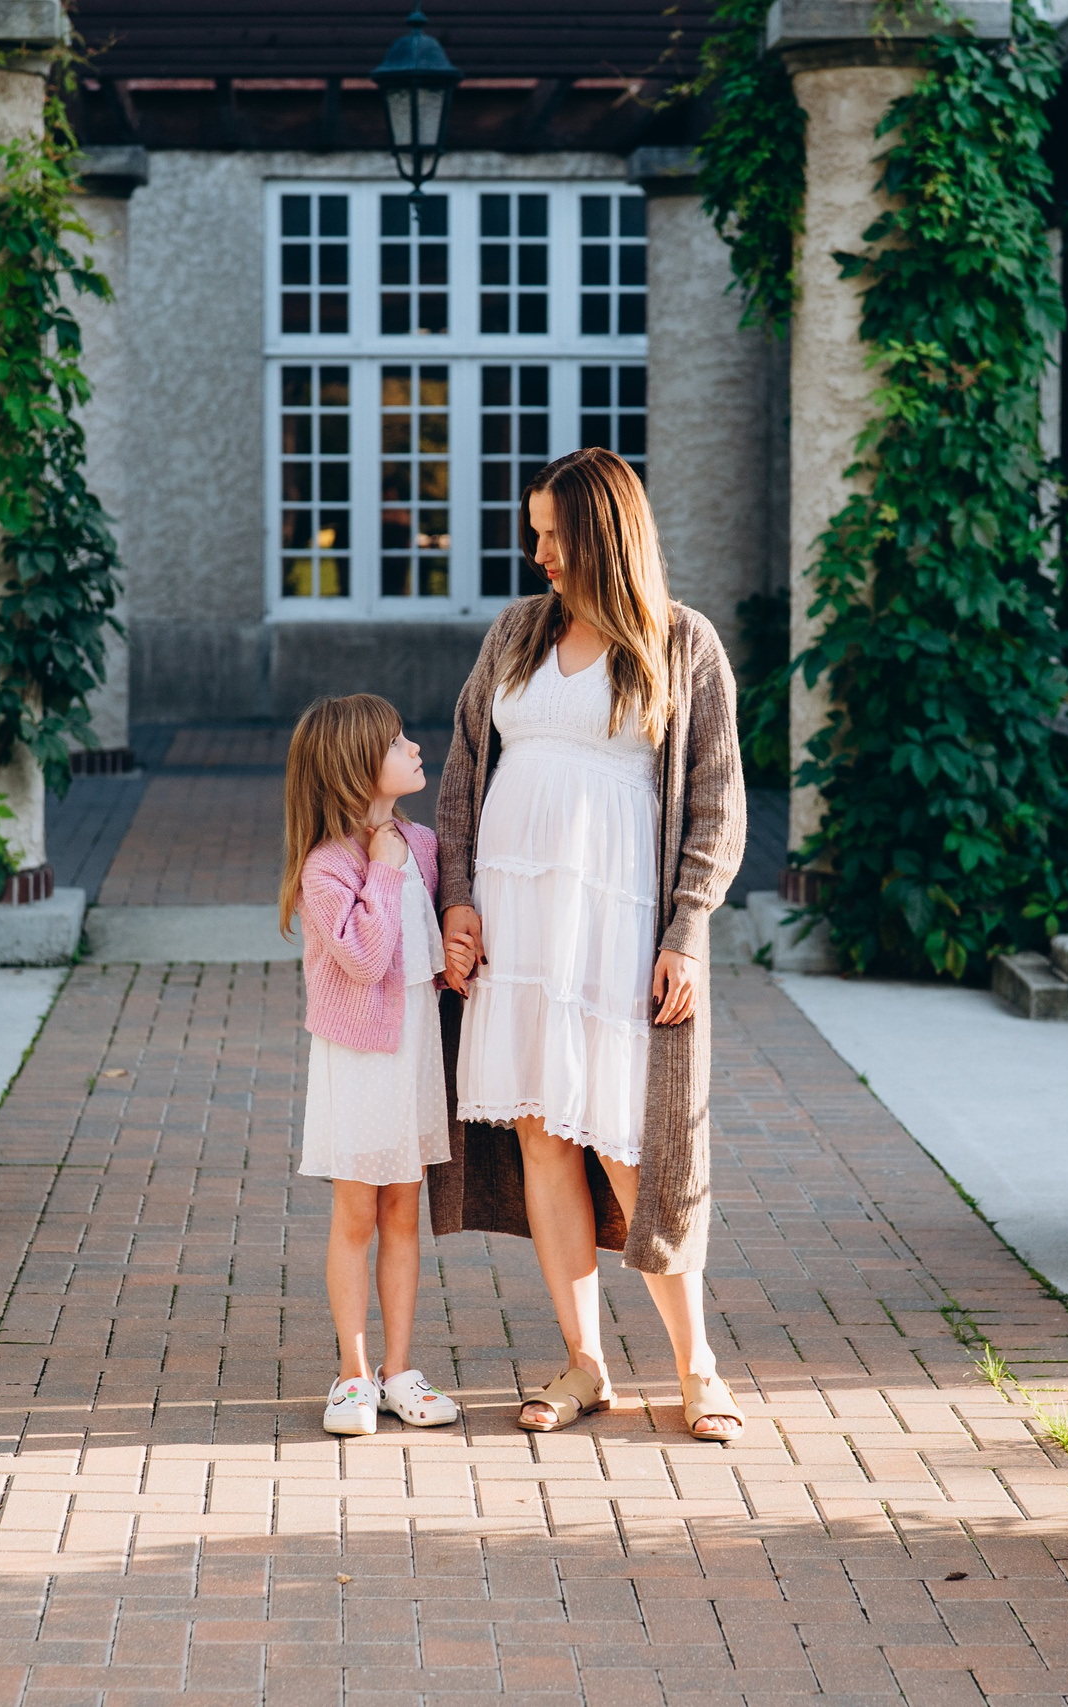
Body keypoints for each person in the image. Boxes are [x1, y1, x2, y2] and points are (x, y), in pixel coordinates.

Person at [430, 447, 750, 1443]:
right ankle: (583, 1364)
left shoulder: (680, 644)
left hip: (616, 931)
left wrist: (688, 932)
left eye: (555, 536)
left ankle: (697, 1368)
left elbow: (715, 803)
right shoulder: (517, 635)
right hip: (517, 934)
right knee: (541, 1136)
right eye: (534, 534)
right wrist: (455, 901)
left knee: (630, 1150)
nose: (539, 556)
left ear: (605, 537)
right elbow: (457, 784)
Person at [281, 693, 462, 1437]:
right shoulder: (326, 869)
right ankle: (352, 1376)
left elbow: (419, 957)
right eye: (395, 743)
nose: (414, 747)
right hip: (358, 1063)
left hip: (413, 1055)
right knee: (357, 1213)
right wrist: (380, 872)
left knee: (403, 1214)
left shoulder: (422, 846)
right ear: (359, 773)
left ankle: (398, 1370)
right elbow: (361, 958)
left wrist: (456, 960)